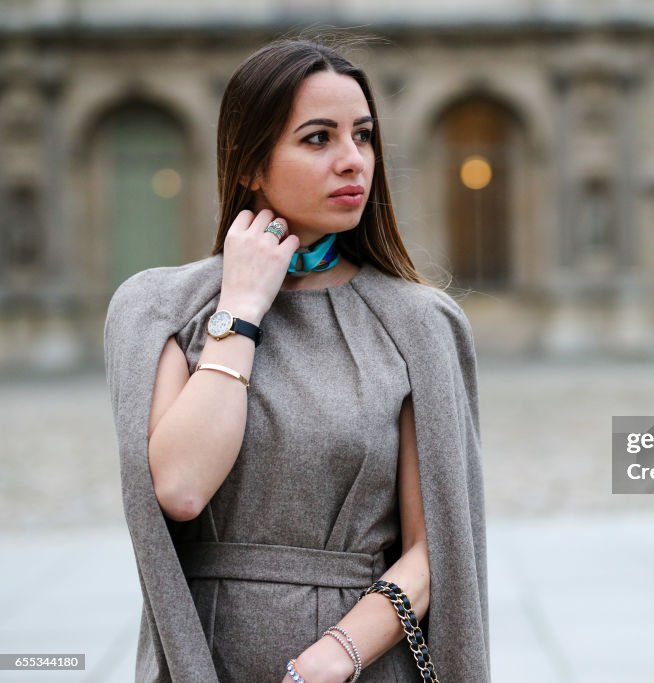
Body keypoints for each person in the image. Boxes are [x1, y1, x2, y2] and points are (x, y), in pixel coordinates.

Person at [104, 37, 489, 682]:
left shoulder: (419, 323)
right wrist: (244, 308)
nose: (353, 161)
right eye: (318, 139)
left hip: (358, 665)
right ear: (250, 162)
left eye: (363, 136)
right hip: (202, 657)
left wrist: (334, 657)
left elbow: (437, 545)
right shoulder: (159, 308)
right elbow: (180, 488)